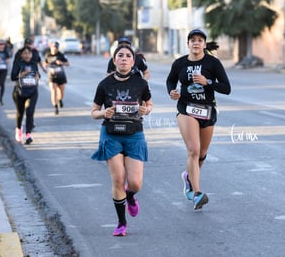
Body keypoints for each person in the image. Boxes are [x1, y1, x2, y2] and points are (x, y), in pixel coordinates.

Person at [91, 44, 153, 236]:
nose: (124, 58)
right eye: (120, 55)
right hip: (111, 135)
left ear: (133, 61)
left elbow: (149, 104)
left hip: (134, 135)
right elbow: (93, 112)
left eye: (128, 56)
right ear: (114, 60)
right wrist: (103, 112)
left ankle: (130, 196)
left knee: (135, 183)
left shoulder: (140, 83)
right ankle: (121, 223)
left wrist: (146, 110)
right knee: (118, 179)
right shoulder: (105, 84)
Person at [166, 29, 231, 210]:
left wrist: (207, 82)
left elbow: (226, 88)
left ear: (204, 44)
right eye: (192, 40)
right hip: (186, 109)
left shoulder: (213, 63)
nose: (196, 43)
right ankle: (197, 194)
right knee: (193, 151)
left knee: (201, 155)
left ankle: (188, 177)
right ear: (188, 44)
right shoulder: (180, 63)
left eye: (200, 40)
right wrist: (172, 92)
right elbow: (170, 81)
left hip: (207, 111)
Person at [10, 46, 40, 145]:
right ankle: (18, 129)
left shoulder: (33, 63)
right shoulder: (18, 63)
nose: (27, 55)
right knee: (20, 113)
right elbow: (13, 77)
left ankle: (28, 135)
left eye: (29, 53)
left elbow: (37, 75)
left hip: (32, 92)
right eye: (25, 53)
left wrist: (37, 77)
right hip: (20, 92)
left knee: (30, 111)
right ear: (22, 54)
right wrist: (23, 74)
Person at [43, 41, 70, 115]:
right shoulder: (48, 55)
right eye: (53, 47)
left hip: (61, 76)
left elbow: (68, 64)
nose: (55, 49)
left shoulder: (61, 55)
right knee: (53, 91)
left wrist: (61, 63)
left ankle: (60, 99)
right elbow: (44, 63)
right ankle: (55, 107)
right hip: (52, 76)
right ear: (51, 47)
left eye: (56, 48)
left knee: (61, 93)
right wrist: (46, 65)